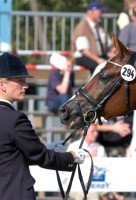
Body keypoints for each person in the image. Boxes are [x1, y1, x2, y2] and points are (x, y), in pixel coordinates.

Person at [0, 52, 85, 200]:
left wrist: (47, 148)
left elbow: (9, 156)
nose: (26, 86)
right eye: (20, 80)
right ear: (2, 85)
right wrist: (71, 157)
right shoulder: (15, 119)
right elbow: (42, 157)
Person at [67, 123, 108, 200]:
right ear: (84, 131)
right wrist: (87, 156)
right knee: (92, 193)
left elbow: (104, 167)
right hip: (76, 183)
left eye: (97, 131)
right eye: (93, 131)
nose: (96, 134)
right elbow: (69, 166)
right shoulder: (73, 146)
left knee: (105, 191)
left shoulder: (100, 148)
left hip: (96, 182)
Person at [71, 1, 112, 74]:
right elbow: (84, 50)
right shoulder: (82, 27)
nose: (102, 14)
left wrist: (112, 53)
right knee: (100, 68)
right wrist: (98, 59)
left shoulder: (99, 27)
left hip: (98, 56)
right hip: (82, 57)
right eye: (100, 12)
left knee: (115, 65)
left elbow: (109, 44)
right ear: (91, 12)